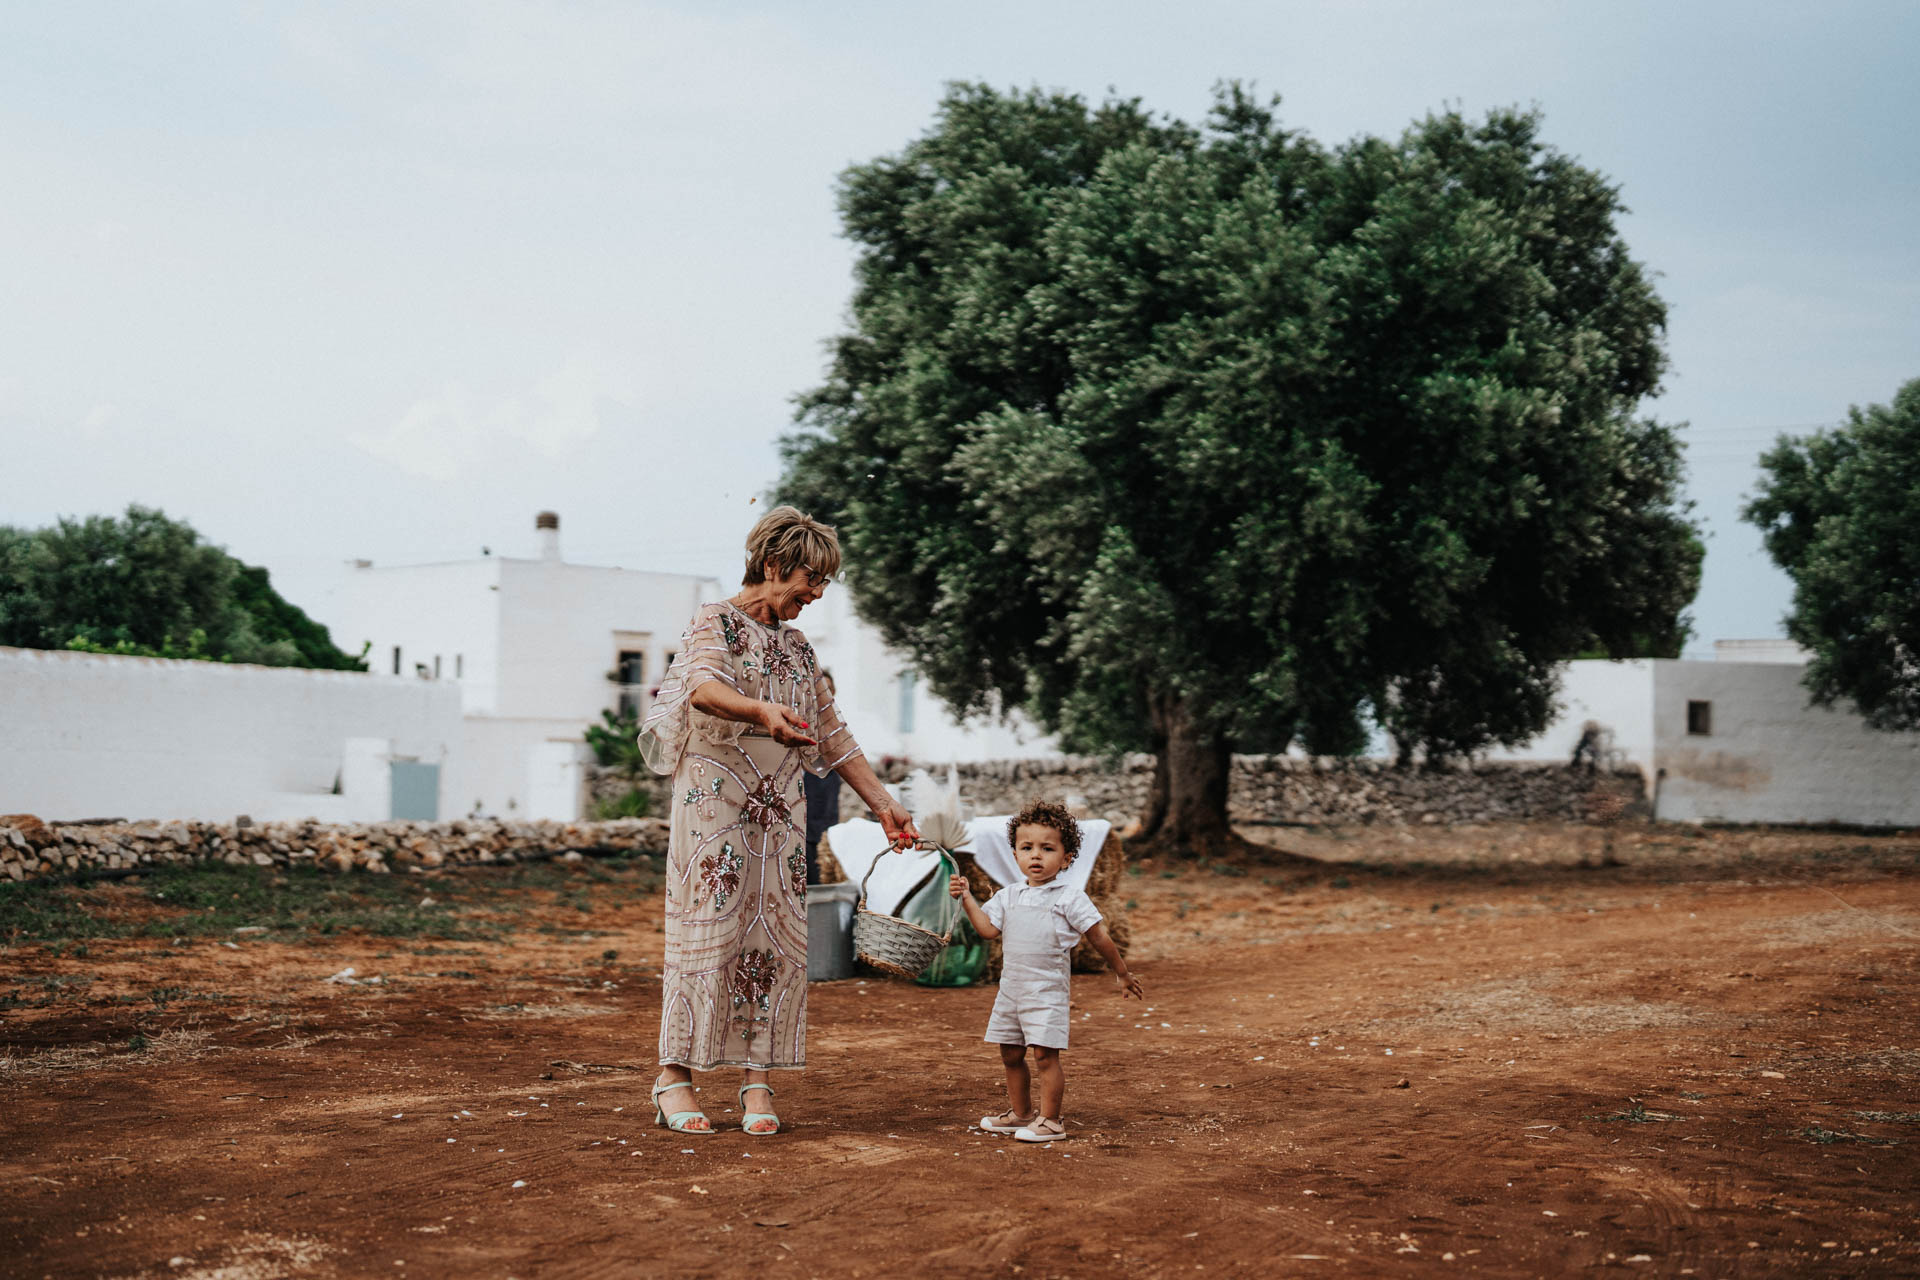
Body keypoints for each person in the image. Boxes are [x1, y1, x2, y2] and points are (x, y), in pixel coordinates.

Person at [639, 507, 920, 1136]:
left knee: (773, 936)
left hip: (780, 811)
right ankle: (673, 1077)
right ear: (772, 565)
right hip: (714, 805)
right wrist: (759, 711)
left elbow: (834, 734)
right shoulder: (714, 621)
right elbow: (702, 690)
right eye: (809, 580)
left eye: (823, 583)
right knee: (707, 930)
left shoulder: (799, 648)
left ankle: (757, 1079)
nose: (816, 595)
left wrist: (883, 803)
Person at [947, 799, 1142, 1142]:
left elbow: (1099, 935)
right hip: (1011, 991)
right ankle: (1021, 1114)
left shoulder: (1069, 897)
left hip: (1047, 992)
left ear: (1066, 859)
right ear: (1015, 854)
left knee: (1044, 1056)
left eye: (1047, 848)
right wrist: (966, 898)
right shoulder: (1008, 896)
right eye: (1027, 848)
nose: (1036, 856)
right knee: (1010, 1053)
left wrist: (1122, 973)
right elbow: (988, 930)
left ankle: (1051, 1121)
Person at [800, 670, 841, 885]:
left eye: (829, 690)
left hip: (825, 812)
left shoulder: (835, 725)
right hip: (802, 813)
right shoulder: (798, 718)